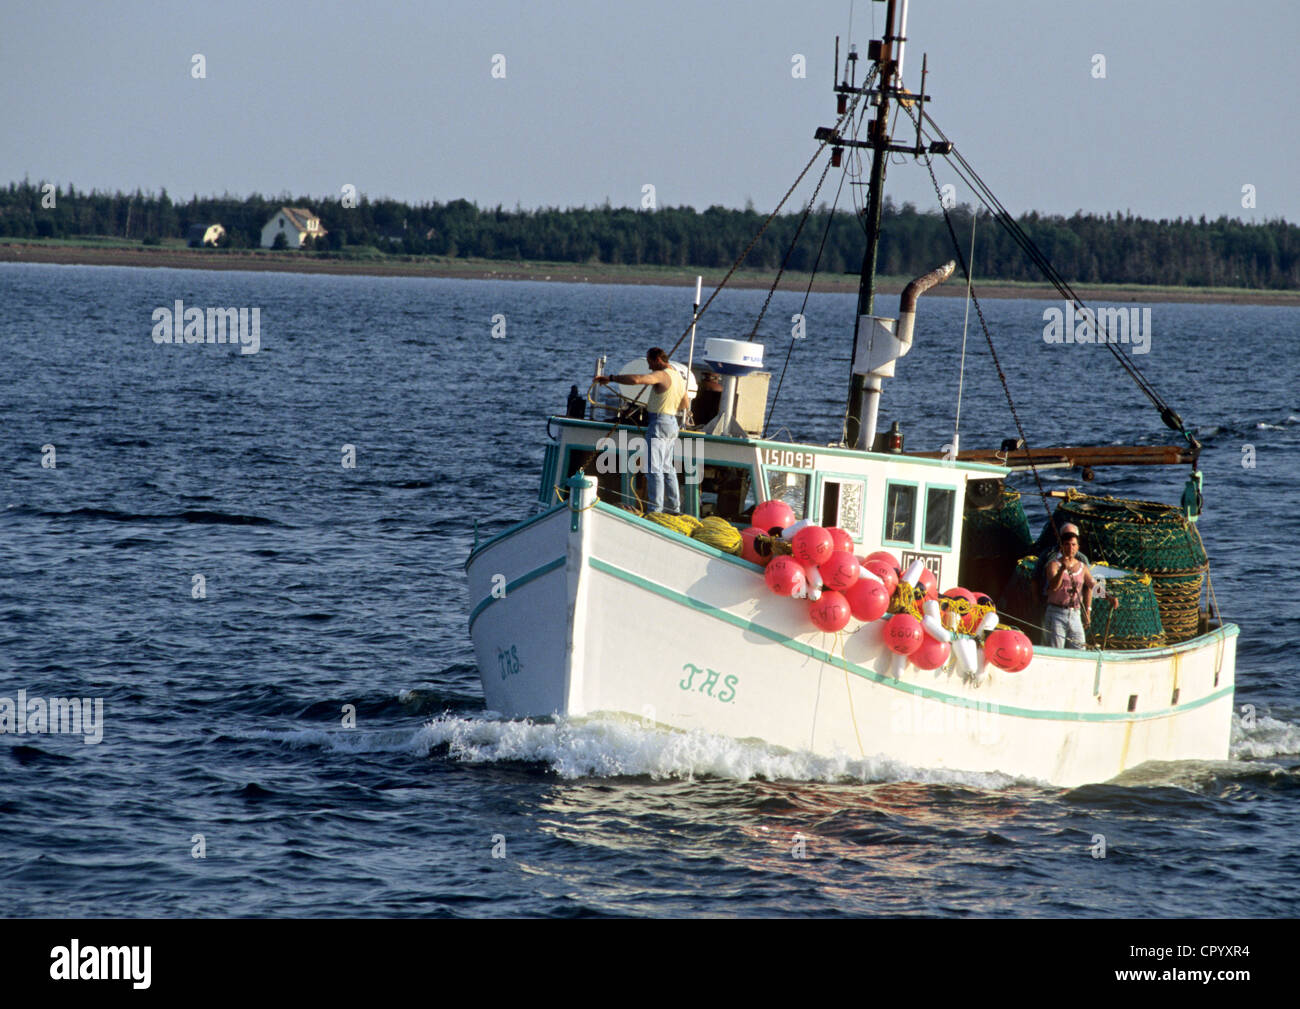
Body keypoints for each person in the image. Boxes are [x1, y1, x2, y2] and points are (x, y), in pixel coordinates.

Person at [595, 348, 686, 513]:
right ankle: (674, 508)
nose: (649, 367)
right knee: (667, 467)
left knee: (654, 468)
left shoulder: (662, 374)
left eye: (649, 362)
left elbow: (638, 380)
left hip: (659, 422)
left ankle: (655, 510)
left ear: (658, 359)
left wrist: (611, 378)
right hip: (672, 423)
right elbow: (685, 403)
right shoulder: (678, 377)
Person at [1043, 522, 1096, 648]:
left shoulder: (1082, 567)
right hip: (1056, 613)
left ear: (1077, 547)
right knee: (1056, 649)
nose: (1070, 548)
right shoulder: (1053, 565)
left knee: (1080, 648)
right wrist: (1062, 570)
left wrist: (1109, 597)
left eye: (1073, 545)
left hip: (1075, 614)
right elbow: (1054, 586)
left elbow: (1092, 584)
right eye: (1067, 544)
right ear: (1062, 546)